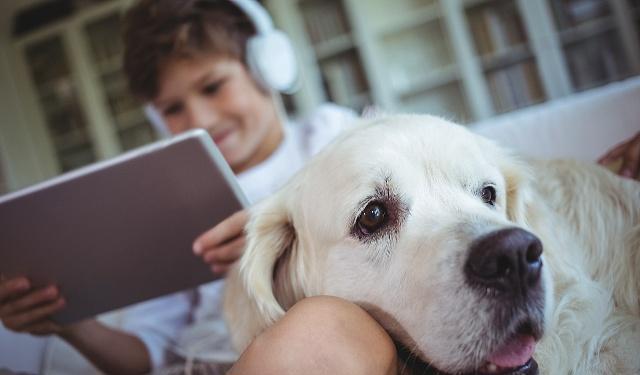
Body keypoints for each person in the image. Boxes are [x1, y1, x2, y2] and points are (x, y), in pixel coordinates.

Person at [1, 0, 639, 374]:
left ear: (265, 68)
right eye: (172, 109)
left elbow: (464, 190)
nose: (198, 119)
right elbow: (145, 354)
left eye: (212, 87)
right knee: (321, 331)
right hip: (223, 358)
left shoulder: (344, 135)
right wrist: (70, 324)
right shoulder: (164, 210)